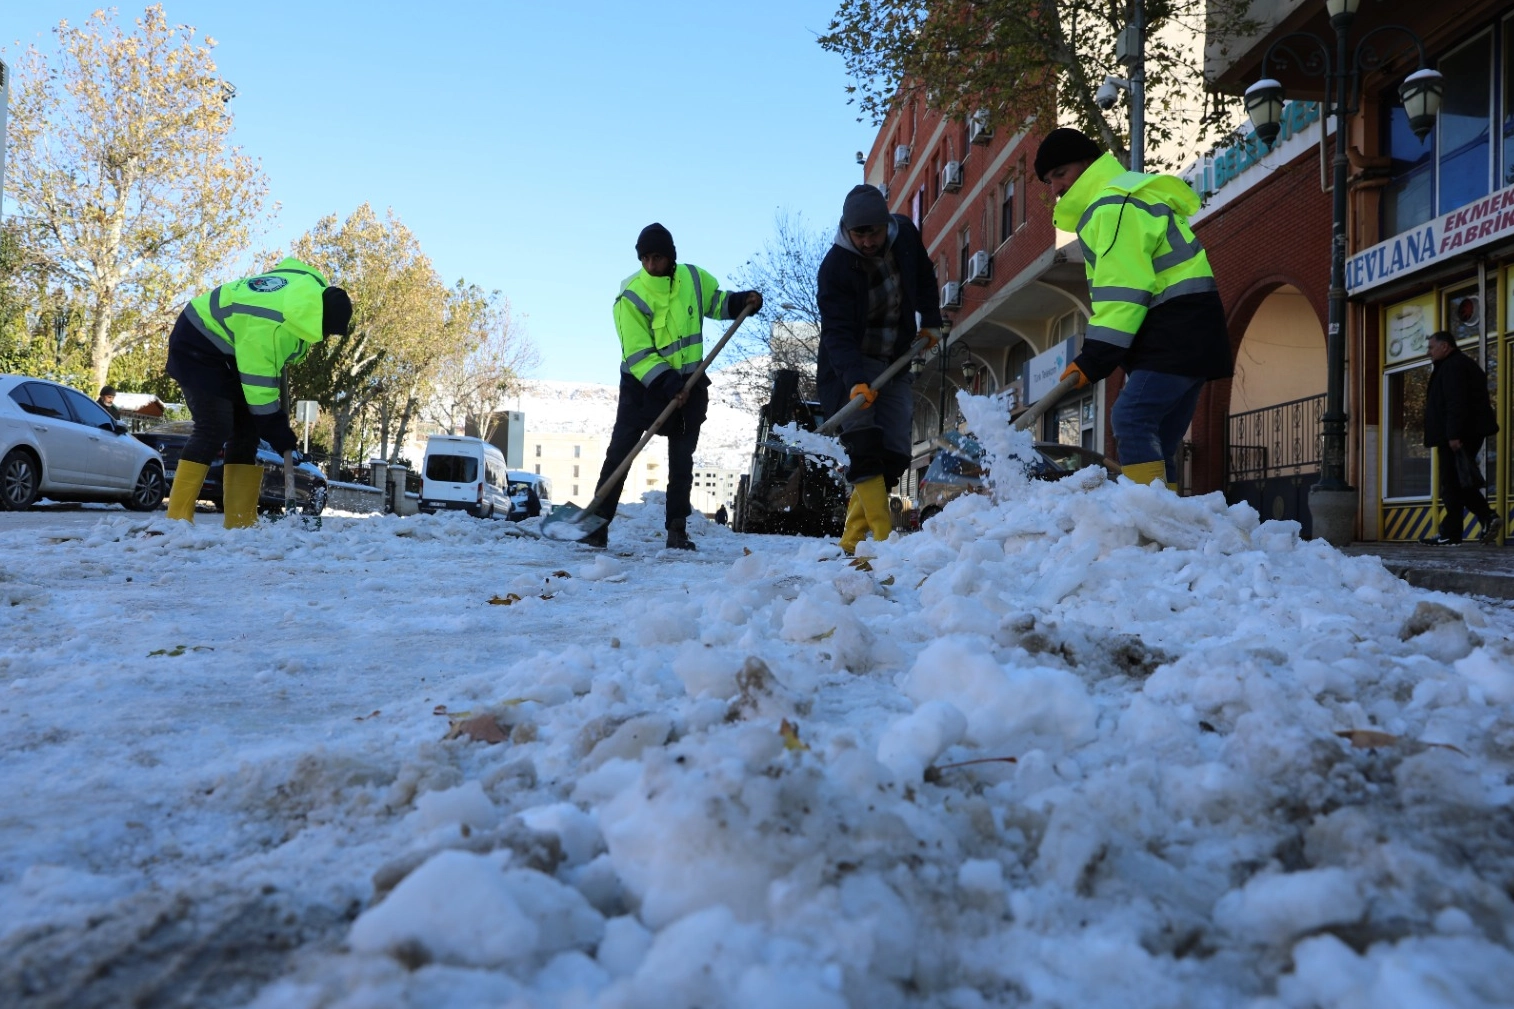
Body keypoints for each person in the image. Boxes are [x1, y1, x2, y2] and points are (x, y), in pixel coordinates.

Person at [1035, 128, 1232, 490]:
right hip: (1188, 330)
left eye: (1060, 174)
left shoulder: (1112, 206)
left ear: (1088, 163)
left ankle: (1151, 521)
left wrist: (1094, 358)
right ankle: (1167, 526)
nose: (1055, 188)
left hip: (1176, 328)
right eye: (1049, 181)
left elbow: (1124, 291)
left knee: (1131, 417)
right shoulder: (1121, 198)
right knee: (1159, 436)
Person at [585, 223, 761, 549]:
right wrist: (668, 382)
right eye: (646, 259)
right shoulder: (631, 296)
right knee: (619, 455)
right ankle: (595, 526)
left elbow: (716, 303)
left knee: (682, 461)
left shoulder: (693, 279)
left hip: (690, 384)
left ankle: (677, 529)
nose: (652, 265)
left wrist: (740, 302)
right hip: (643, 388)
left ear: (671, 257)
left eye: (658, 258)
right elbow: (638, 354)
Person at [163, 257, 351, 528]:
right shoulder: (269, 330)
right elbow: (259, 392)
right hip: (197, 340)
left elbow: (290, 267)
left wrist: (271, 423)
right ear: (316, 322)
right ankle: (176, 519)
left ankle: (240, 522)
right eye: (325, 332)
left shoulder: (308, 285)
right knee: (215, 425)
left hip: (232, 344)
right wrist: (279, 432)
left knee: (246, 431)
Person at [816, 184, 941, 554]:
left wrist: (931, 320)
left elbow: (924, 276)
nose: (868, 241)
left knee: (895, 454)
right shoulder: (835, 267)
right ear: (847, 229)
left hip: (895, 358)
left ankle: (850, 541)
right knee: (864, 445)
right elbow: (837, 334)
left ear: (887, 223)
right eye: (860, 234)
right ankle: (884, 542)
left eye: (874, 231)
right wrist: (855, 381)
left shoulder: (904, 235)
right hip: (852, 363)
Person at [1421, 330, 1501, 545]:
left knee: (1452, 483)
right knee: (1459, 483)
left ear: (1445, 346)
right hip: (1461, 433)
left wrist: (1454, 435)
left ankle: (1464, 527)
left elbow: (1456, 402)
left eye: (1431, 347)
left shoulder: (1453, 366)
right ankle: (1458, 529)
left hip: (1456, 436)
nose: (1428, 352)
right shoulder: (1458, 365)